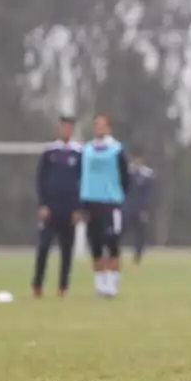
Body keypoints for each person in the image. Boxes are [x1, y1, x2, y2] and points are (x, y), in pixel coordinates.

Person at [31, 116, 83, 298]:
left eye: (70, 127)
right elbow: (40, 180)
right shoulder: (49, 152)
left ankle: (63, 287)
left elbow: (82, 182)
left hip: (69, 209)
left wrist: (79, 208)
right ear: (59, 129)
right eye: (64, 127)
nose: (66, 131)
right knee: (44, 245)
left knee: (67, 249)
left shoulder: (79, 153)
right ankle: (37, 284)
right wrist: (43, 204)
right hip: (51, 208)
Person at [79, 114, 129, 298]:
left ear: (109, 128)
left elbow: (125, 177)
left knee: (112, 243)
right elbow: (82, 176)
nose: (99, 128)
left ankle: (112, 284)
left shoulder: (116, 149)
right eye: (96, 125)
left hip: (110, 202)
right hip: (91, 201)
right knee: (96, 245)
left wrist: (118, 196)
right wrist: (82, 204)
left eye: (102, 125)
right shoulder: (87, 149)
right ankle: (100, 286)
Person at [123, 151, 155, 265]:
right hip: (127, 208)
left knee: (140, 234)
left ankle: (137, 258)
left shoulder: (147, 174)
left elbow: (150, 194)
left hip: (140, 209)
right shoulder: (126, 172)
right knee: (119, 231)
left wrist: (145, 210)